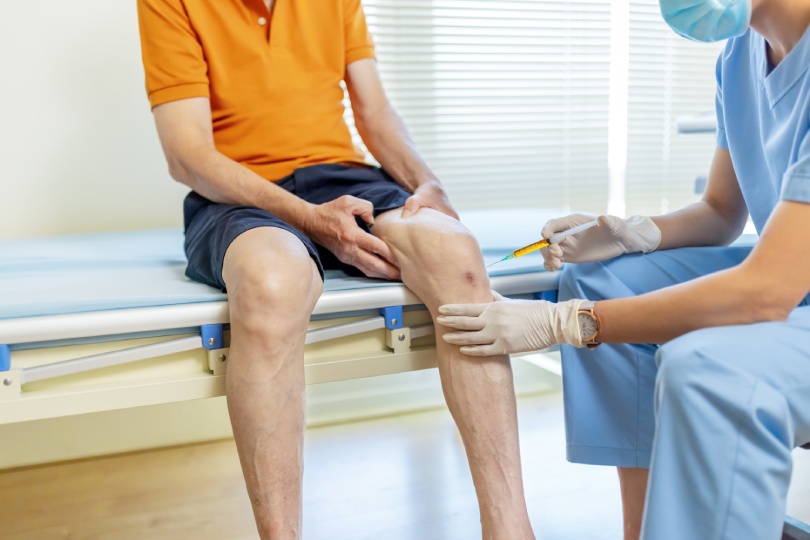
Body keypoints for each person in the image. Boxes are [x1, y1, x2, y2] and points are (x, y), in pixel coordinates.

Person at [136, 1, 535, 538]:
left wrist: (426, 184)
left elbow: (373, 112)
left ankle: (509, 530)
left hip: (342, 176)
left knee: (456, 254)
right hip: (237, 191)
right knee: (272, 281)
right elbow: (187, 155)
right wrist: (309, 221)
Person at [437, 0, 810, 538]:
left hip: (785, 285)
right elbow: (723, 213)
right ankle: (640, 529)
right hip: (788, 277)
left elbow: (768, 291)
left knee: (699, 365)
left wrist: (570, 323)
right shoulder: (739, 56)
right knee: (600, 278)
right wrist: (627, 232)